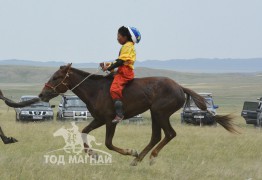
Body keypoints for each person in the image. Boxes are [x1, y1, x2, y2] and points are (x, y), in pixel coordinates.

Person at [100, 26, 141, 123]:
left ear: (126, 36)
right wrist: (108, 64)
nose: (117, 38)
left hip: (125, 73)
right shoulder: (128, 46)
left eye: (119, 36)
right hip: (122, 70)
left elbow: (121, 61)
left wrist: (108, 67)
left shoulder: (127, 46)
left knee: (114, 89)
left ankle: (119, 114)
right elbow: (119, 61)